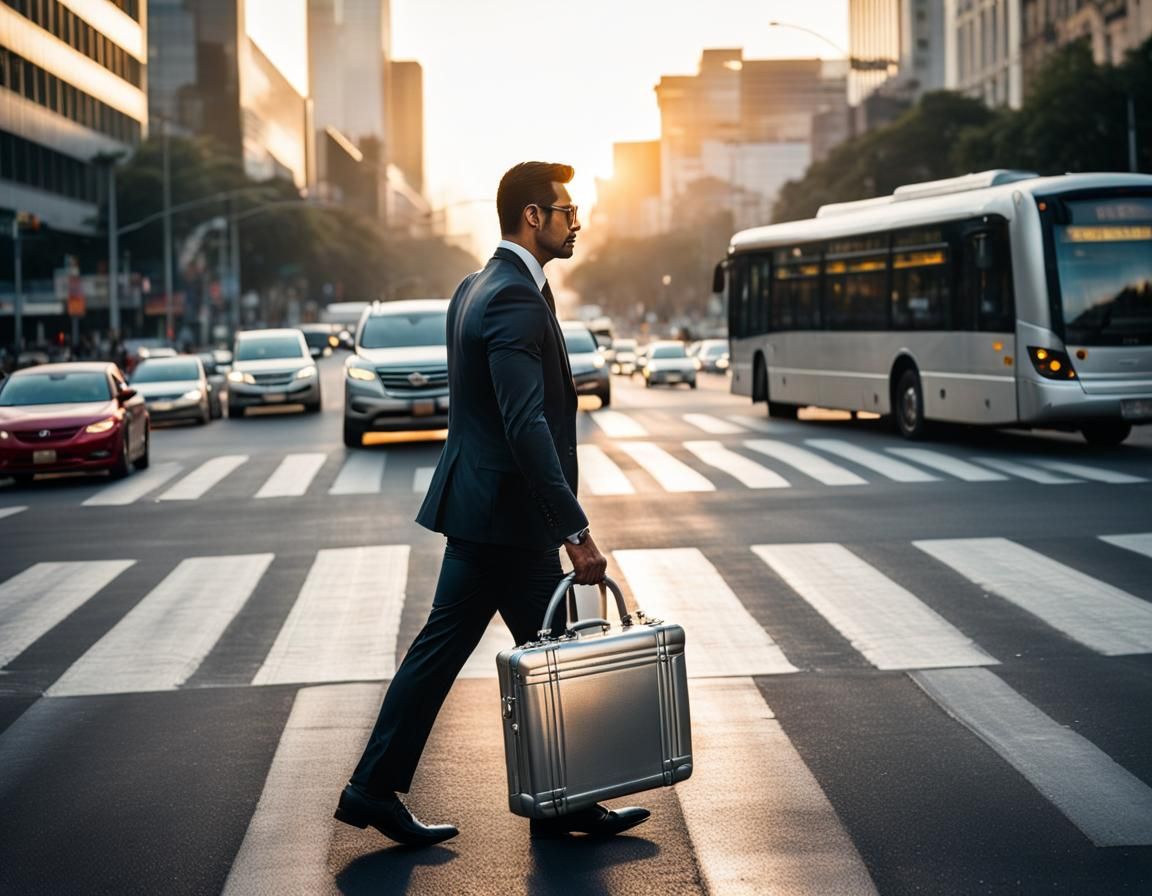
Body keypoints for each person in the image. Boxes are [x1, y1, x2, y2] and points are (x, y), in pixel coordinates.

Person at [334, 162, 651, 846]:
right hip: (510, 517)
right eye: (566, 211)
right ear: (533, 217)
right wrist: (575, 531)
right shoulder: (512, 298)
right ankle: (564, 801)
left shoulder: (473, 287)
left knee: (469, 651)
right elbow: (523, 422)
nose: (577, 223)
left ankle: (376, 789)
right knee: (551, 655)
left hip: (482, 510)